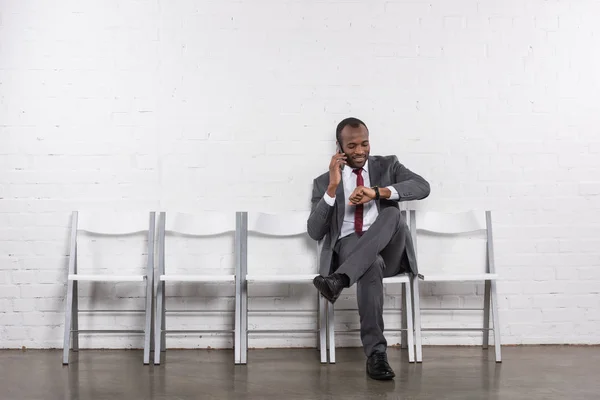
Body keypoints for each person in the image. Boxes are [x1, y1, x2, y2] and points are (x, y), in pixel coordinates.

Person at [307, 117, 430, 380]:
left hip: (391, 249)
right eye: (352, 146)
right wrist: (332, 186)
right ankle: (377, 355)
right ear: (339, 148)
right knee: (369, 264)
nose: (360, 151)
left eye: (364, 144)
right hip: (352, 247)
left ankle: (339, 279)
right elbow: (315, 231)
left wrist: (378, 192)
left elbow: (422, 187)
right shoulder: (323, 182)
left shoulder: (388, 165)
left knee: (393, 216)